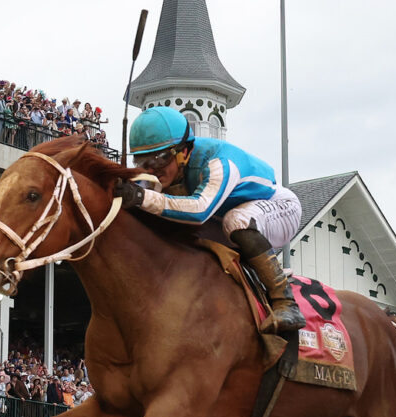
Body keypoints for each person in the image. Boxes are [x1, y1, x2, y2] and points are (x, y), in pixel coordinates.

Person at [117, 105, 303, 332]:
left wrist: (141, 196)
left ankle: (285, 301)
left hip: (279, 207)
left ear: (183, 152)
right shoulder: (166, 168)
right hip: (221, 218)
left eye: (160, 159)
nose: (153, 169)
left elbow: (199, 210)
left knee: (236, 221)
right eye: (144, 162)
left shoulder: (219, 163)